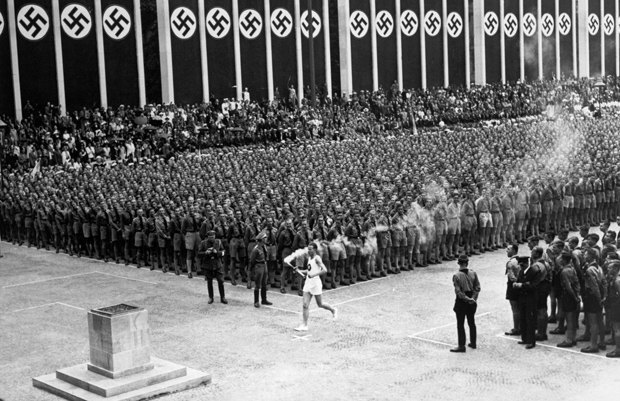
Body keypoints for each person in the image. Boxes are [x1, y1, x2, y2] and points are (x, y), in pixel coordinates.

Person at [285, 242, 337, 332]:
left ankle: (333, 310)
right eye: (308, 249)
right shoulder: (309, 258)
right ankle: (305, 325)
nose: (308, 250)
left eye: (310, 249)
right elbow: (308, 270)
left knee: (320, 304)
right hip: (308, 283)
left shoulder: (317, 258)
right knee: (305, 305)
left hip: (316, 283)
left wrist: (313, 274)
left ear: (315, 250)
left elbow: (325, 270)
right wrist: (299, 270)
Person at [513, 247, 545, 349]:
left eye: (522, 265)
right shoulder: (522, 272)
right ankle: (524, 338)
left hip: (531, 299)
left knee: (530, 319)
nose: (520, 267)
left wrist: (521, 285)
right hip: (522, 298)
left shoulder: (534, 271)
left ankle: (531, 341)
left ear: (526, 263)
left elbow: (534, 285)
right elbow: (520, 281)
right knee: (523, 318)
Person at [450, 255, 481, 353]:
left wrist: (467, 299)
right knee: (471, 322)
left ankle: (461, 345)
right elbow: (477, 287)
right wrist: (473, 298)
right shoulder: (473, 273)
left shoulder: (456, 276)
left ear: (458, 263)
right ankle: (473, 342)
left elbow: (459, 292)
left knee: (460, 323)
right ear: (467, 263)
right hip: (472, 299)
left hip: (462, 302)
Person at [198, 230, 227, 304]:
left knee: (220, 281)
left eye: (213, 237)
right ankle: (211, 297)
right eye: (210, 237)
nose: (212, 239)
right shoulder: (203, 243)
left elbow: (224, 252)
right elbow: (198, 254)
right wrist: (205, 253)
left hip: (217, 264)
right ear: (208, 237)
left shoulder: (219, 242)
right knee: (209, 282)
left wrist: (217, 252)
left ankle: (222, 297)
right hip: (208, 265)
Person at [249, 232, 273, 308]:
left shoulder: (264, 246)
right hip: (258, 266)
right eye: (265, 238)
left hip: (264, 265)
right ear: (262, 239)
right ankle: (256, 301)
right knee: (257, 285)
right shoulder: (256, 249)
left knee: (264, 284)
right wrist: (251, 271)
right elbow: (252, 261)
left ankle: (264, 300)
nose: (266, 239)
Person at [504, 244, 521, 336]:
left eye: (509, 249)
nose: (507, 251)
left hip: (513, 286)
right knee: (519, 307)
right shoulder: (520, 260)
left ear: (514, 250)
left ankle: (516, 328)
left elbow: (511, 277)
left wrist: (515, 282)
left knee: (514, 308)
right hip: (521, 284)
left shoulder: (510, 262)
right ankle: (521, 326)